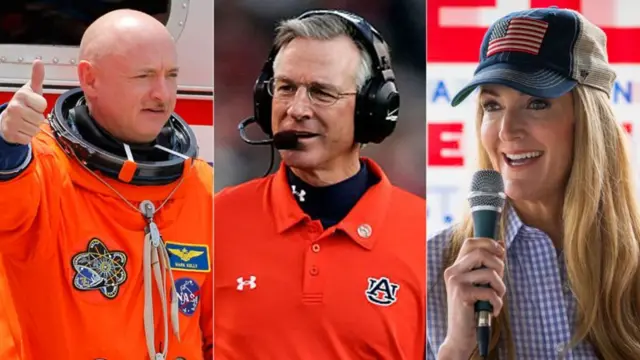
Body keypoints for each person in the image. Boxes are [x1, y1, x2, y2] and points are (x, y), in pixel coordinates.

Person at [427, 6, 640, 360]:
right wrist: (456, 350)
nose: (507, 130)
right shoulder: (431, 267)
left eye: (537, 103)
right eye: (492, 106)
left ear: (588, 123)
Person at [0, 9, 213, 360]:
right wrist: (6, 145)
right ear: (91, 79)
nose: (162, 94)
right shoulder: (45, 170)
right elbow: (9, 201)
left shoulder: (198, 184)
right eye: (144, 76)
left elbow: (222, 332)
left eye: (170, 75)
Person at [214, 9, 426, 360]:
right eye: (285, 88)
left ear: (372, 108)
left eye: (321, 92)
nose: (297, 108)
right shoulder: (214, 220)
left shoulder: (430, 239)